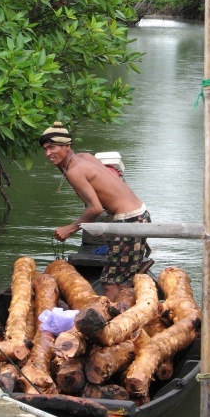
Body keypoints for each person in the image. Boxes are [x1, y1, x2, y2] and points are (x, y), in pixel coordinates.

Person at [39, 121, 151, 301]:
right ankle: (127, 316)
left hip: (129, 222)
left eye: (52, 148)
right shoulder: (84, 157)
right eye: (45, 149)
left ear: (67, 146)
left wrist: (70, 228)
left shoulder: (74, 171)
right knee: (123, 279)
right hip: (141, 215)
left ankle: (119, 322)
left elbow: (95, 208)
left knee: (110, 282)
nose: (48, 153)